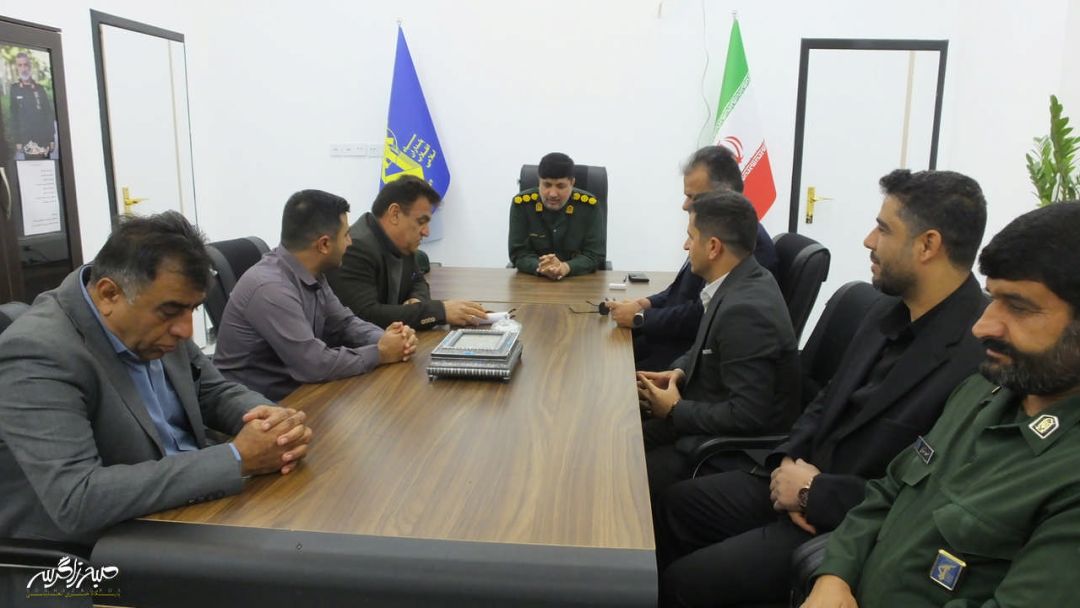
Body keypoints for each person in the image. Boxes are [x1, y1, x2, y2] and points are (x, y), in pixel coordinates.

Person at [657, 169, 989, 607]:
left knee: (685, 583)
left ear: (927, 245)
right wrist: (787, 462)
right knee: (672, 505)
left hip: (847, 524)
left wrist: (814, 494)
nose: (868, 240)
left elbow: (931, 495)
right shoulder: (886, 311)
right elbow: (823, 401)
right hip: (795, 477)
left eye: (884, 229)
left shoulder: (978, 356)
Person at [805, 202, 1080, 608]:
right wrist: (834, 576)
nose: (982, 326)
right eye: (992, 298)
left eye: (1019, 307)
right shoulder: (983, 392)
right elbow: (888, 492)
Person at [0, 212, 312, 548]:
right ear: (108, 294)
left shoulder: (155, 321)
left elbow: (212, 391)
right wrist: (236, 458)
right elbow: (77, 498)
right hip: (103, 548)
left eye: (193, 309)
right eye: (171, 311)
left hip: (188, 510)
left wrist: (273, 422)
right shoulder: (38, 352)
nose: (185, 330)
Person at [638, 190, 800, 526]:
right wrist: (678, 372)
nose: (686, 246)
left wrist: (675, 410)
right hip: (701, 412)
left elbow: (747, 414)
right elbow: (707, 347)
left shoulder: (746, 309)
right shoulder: (737, 282)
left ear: (713, 247)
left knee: (626, 478)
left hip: (726, 448)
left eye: (691, 237)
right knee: (621, 437)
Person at [214, 189, 417, 401]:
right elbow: (313, 364)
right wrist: (380, 352)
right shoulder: (271, 288)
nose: (350, 242)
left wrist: (389, 339)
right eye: (346, 235)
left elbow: (344, 324)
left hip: (297, 393)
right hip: (257, 407)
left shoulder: (312, 273)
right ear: (324, 244)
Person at [606, 146, 779, 371]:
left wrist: (641, 317)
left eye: (693, 197)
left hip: (686, 355)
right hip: (670, 341)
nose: (685, 205)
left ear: (723, 194)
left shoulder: (744, 244)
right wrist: (644, 304)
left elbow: (703, 314)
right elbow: (682, 290)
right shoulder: (712, 230)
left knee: (608, 373)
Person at [327, 175, 486, 330]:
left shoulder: (401, 243)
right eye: (421, 221)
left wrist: (416, 301)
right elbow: (366, 316)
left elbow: (418, 281)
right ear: (395, 214)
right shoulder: (354, 247)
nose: (426, 232)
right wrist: (440, 312)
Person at [508, 152, 605, 279]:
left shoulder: (589, 206)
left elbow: (594, 255)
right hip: (534, 280)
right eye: (547, 185)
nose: (553, 194)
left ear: (572, 183)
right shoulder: (522, 205)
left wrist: (566, 267)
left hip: (578, 280)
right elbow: (519, 253)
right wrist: (543, 267)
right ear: (539, 181)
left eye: (560, 186)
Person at [8, 52, 56, 160]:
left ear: (30, 66)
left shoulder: (40, 89)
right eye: (20, 65)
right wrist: (18, 140)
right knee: (31, 168)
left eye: (25, 65)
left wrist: (51, 139)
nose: (23, 68)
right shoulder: (14, 89)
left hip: (43, 140)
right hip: (27, 141)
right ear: (17, 68)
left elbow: (48, 114)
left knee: (45, 168)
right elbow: (14, 117)